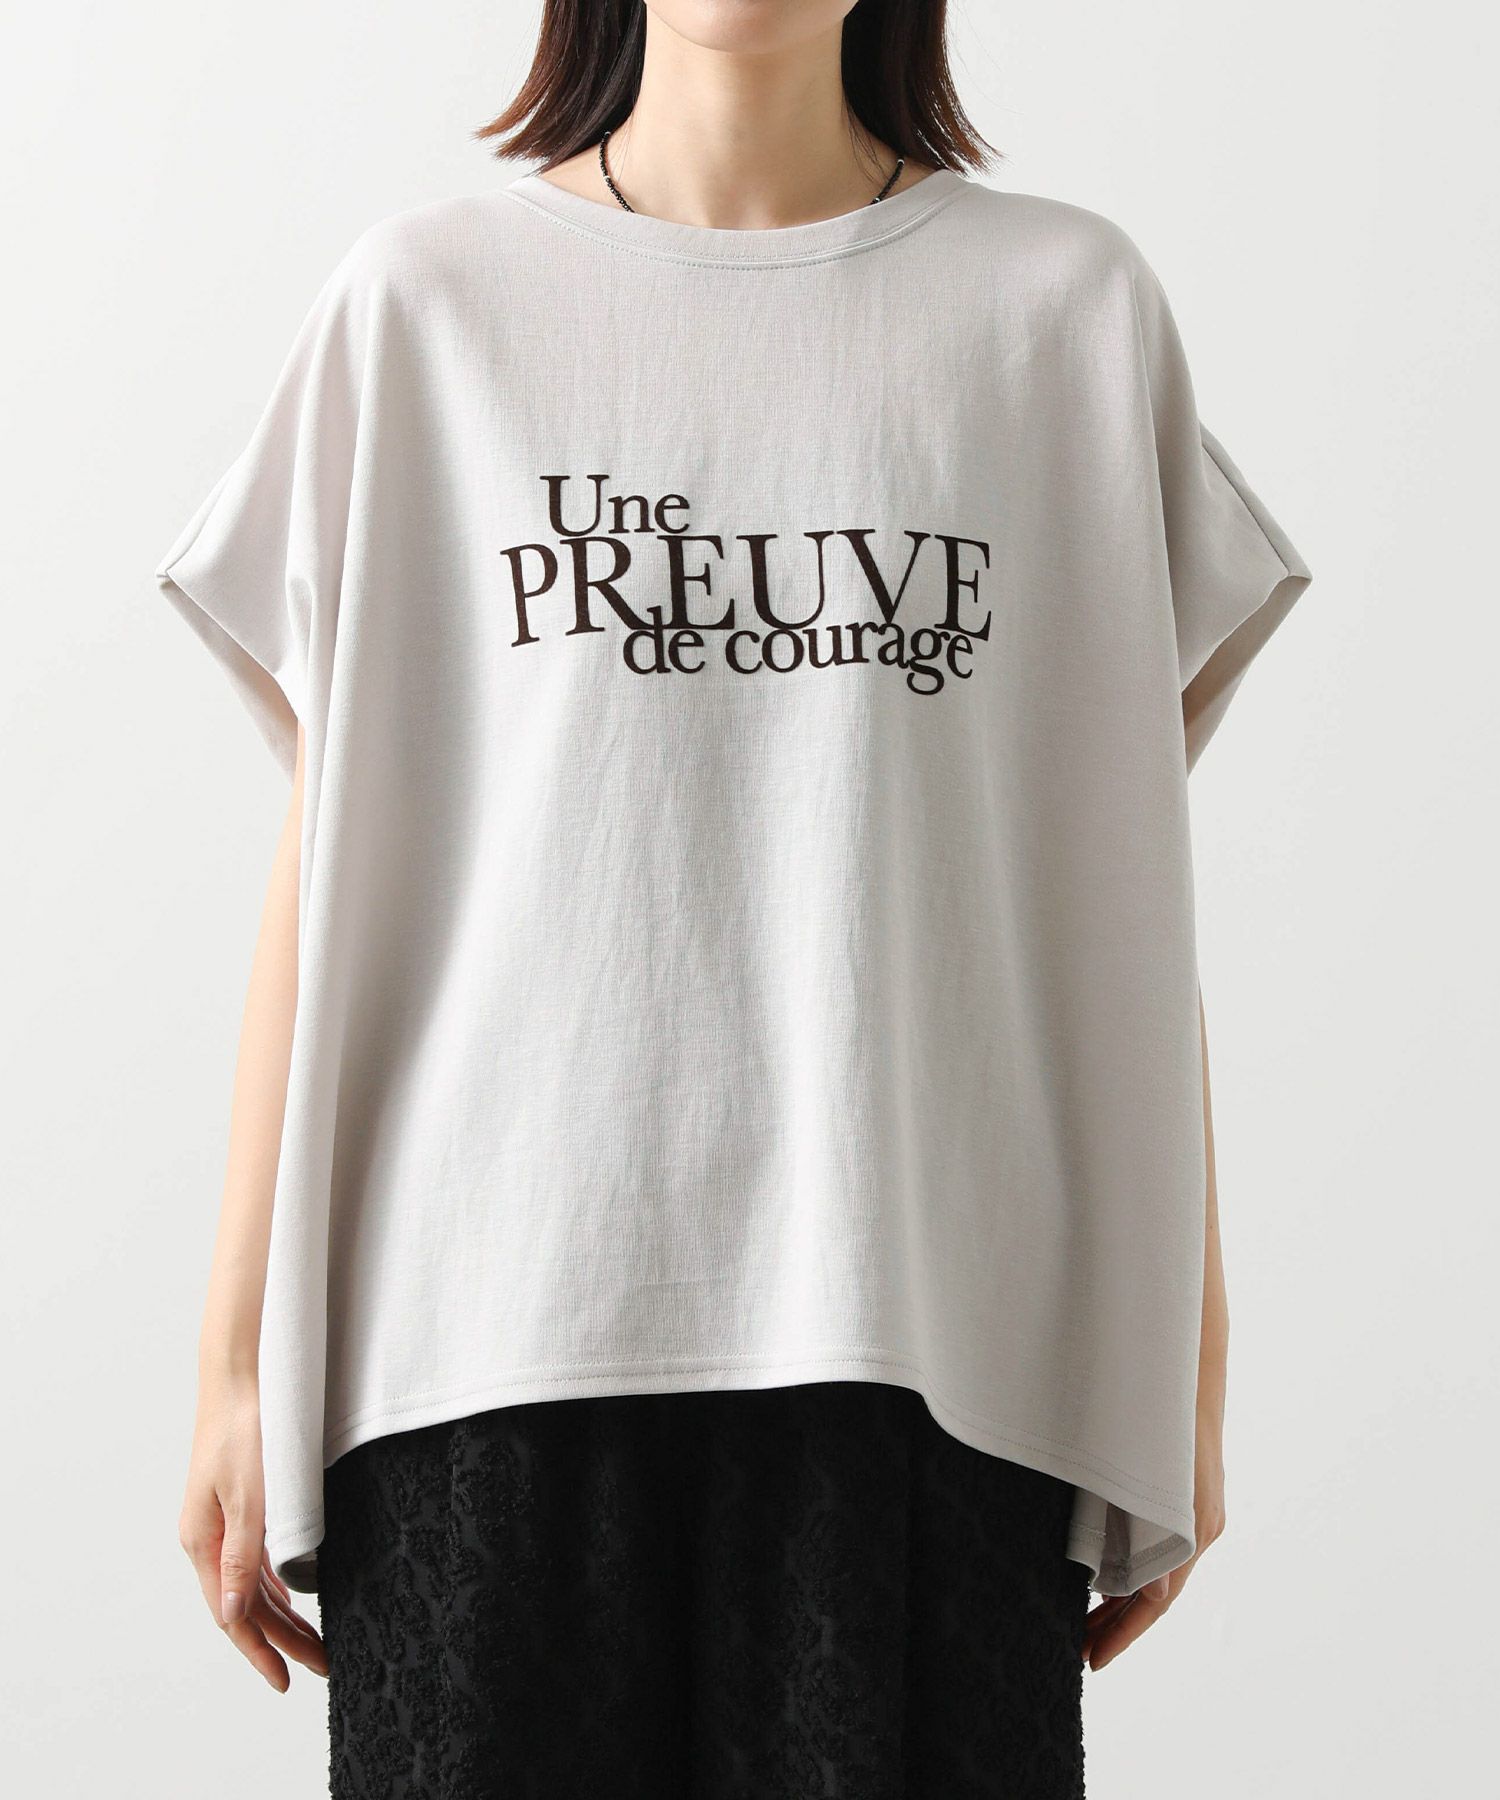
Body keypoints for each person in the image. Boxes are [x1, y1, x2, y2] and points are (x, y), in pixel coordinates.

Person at [160, 2, 1311, 1795]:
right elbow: (335, 848)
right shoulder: (423, 310)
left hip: (923, 1358)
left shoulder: (1061, 316)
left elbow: (1112, 889)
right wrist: (235, 1362)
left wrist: (1183, 1361)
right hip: (479, 1357)